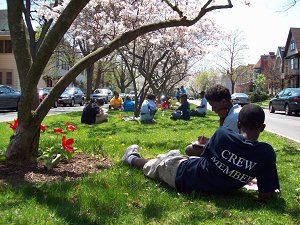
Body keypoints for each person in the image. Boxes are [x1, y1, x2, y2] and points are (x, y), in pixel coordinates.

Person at [122, 104, 280, 199]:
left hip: (184, 176)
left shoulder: (222, 134)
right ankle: (168, 156)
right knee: (170, 160)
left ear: (238, 124)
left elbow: (204, 158)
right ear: (263, 127)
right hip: (194, 172)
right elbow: (266, 194)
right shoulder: (266, 153)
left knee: (154, 165)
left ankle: (130, 157)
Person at [186, 85, 242, 156]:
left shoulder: (232, 117)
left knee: (190, 149)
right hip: (231, 149)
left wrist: (208, 143)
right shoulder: (235, 111)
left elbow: (222, 144)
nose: (212, 109)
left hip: (233, 154)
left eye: (213, 106)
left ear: (223, 102)